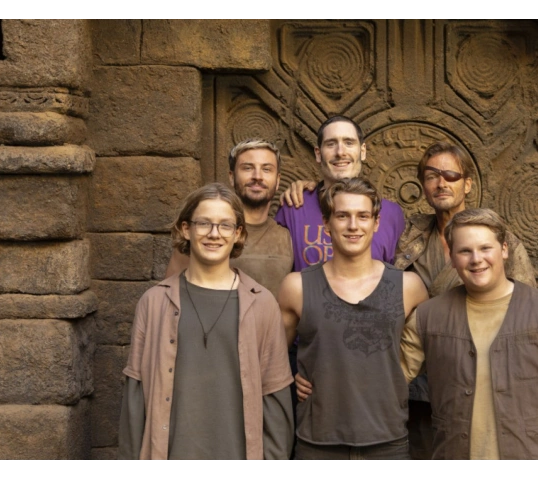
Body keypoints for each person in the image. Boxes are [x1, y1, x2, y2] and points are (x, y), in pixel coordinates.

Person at [400, 208, 538, 460]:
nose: (476, 259)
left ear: (504, 250)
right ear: (452, 257)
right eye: (465, 251)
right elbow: (389, 383)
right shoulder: (428, 318)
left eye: (485, 248)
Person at [118, 183, 294, 460]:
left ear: (238, 234)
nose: (214, 233)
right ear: (186, 229)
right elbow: (135, 395)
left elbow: (275, 395)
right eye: (204, 223)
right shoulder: (154, 302)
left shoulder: (262, 304)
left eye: (225, 225)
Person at [393, 141, 538, 460]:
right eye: (431, 176)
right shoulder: (408, 234)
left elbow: (526, 313)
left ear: (468, 184)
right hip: (418, 387)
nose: (441, 183)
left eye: (450, 175)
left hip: (481, 385)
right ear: (423, 186)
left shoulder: (499, 240)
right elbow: (357, 221)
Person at [279, 177, 428, 461]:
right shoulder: (296, 287)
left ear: (376, 223)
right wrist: (292, 376)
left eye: (362, 216)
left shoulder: (409, 287)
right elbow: (272, 361)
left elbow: (428, 351)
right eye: (342, 216)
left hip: (388, 442)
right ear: (326, 223)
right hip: (317, 444)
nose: (353, 225)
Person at [164, 138, 293, 298]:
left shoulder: (287, 237)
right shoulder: (204, 233)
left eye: (266, 169)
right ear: (232, 177)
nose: (257, 176)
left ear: (278, 180)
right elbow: (168, 297)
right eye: (248, 168)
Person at [274, 115, 405, 271]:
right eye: (331, 144)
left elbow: (397, 277)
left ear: (362, 151)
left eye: (349, 143)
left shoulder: (391, 214)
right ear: (318, 153)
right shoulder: (294, 206)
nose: (340, 152)